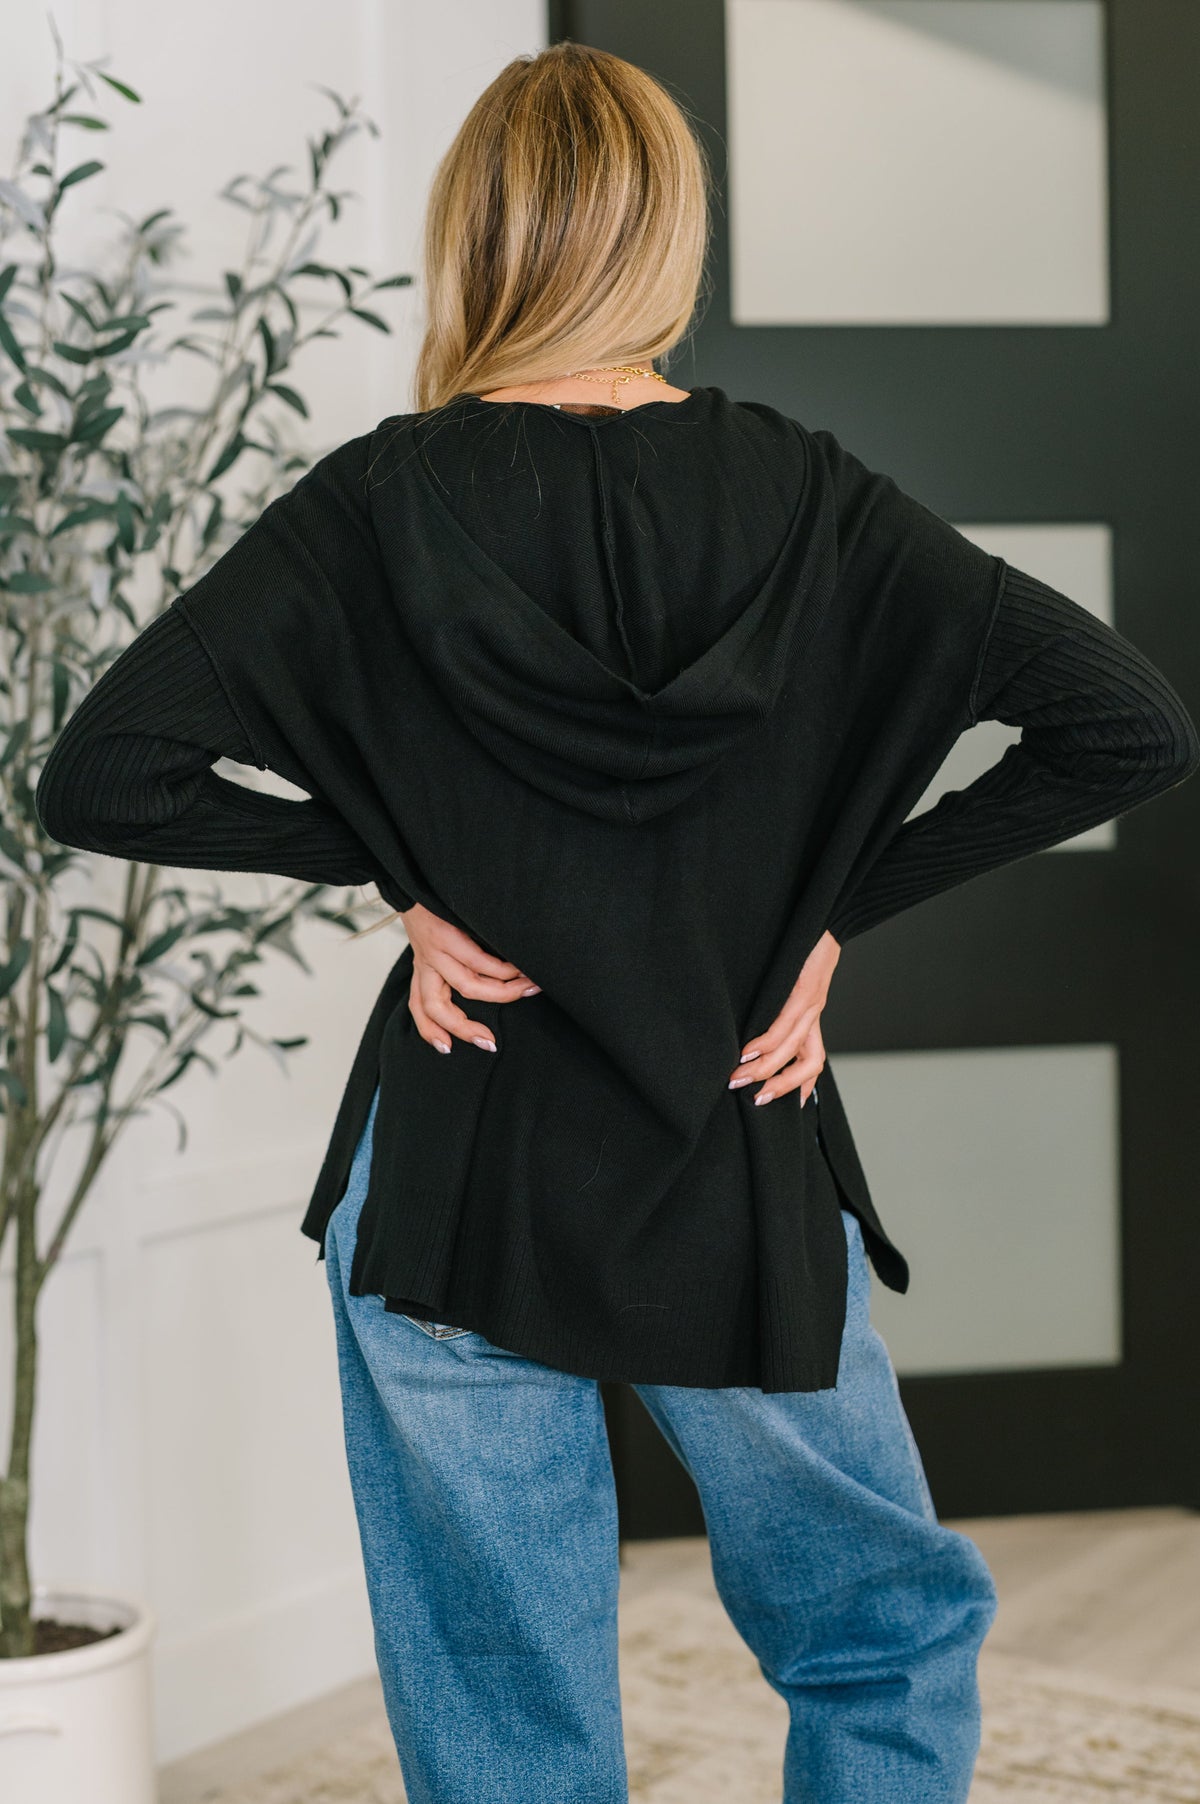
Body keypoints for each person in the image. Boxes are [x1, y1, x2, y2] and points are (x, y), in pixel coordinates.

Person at [34, 41, 1199, 1804]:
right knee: (879, 1626)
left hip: (456, 1168)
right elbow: (1130, 722)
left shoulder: (377, 505)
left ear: (475, 243)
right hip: (729, 1151)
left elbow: (103, 775)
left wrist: (396, 865)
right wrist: (831, 915)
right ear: (672, 237)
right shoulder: (814, 498)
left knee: (506, 1699)